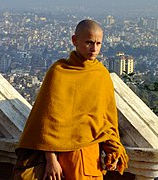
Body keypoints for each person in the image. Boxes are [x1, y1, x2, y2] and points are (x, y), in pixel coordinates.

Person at [13, 19, 128, 180]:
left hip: (90, 158)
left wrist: (111, 149)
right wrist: (51, 159)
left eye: (98, 43)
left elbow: (106, 121)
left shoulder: (101, 75)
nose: (94, 49)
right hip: (60, 161)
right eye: (89, 42)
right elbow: (46, 123)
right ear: (75, 40)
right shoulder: (59, 72)